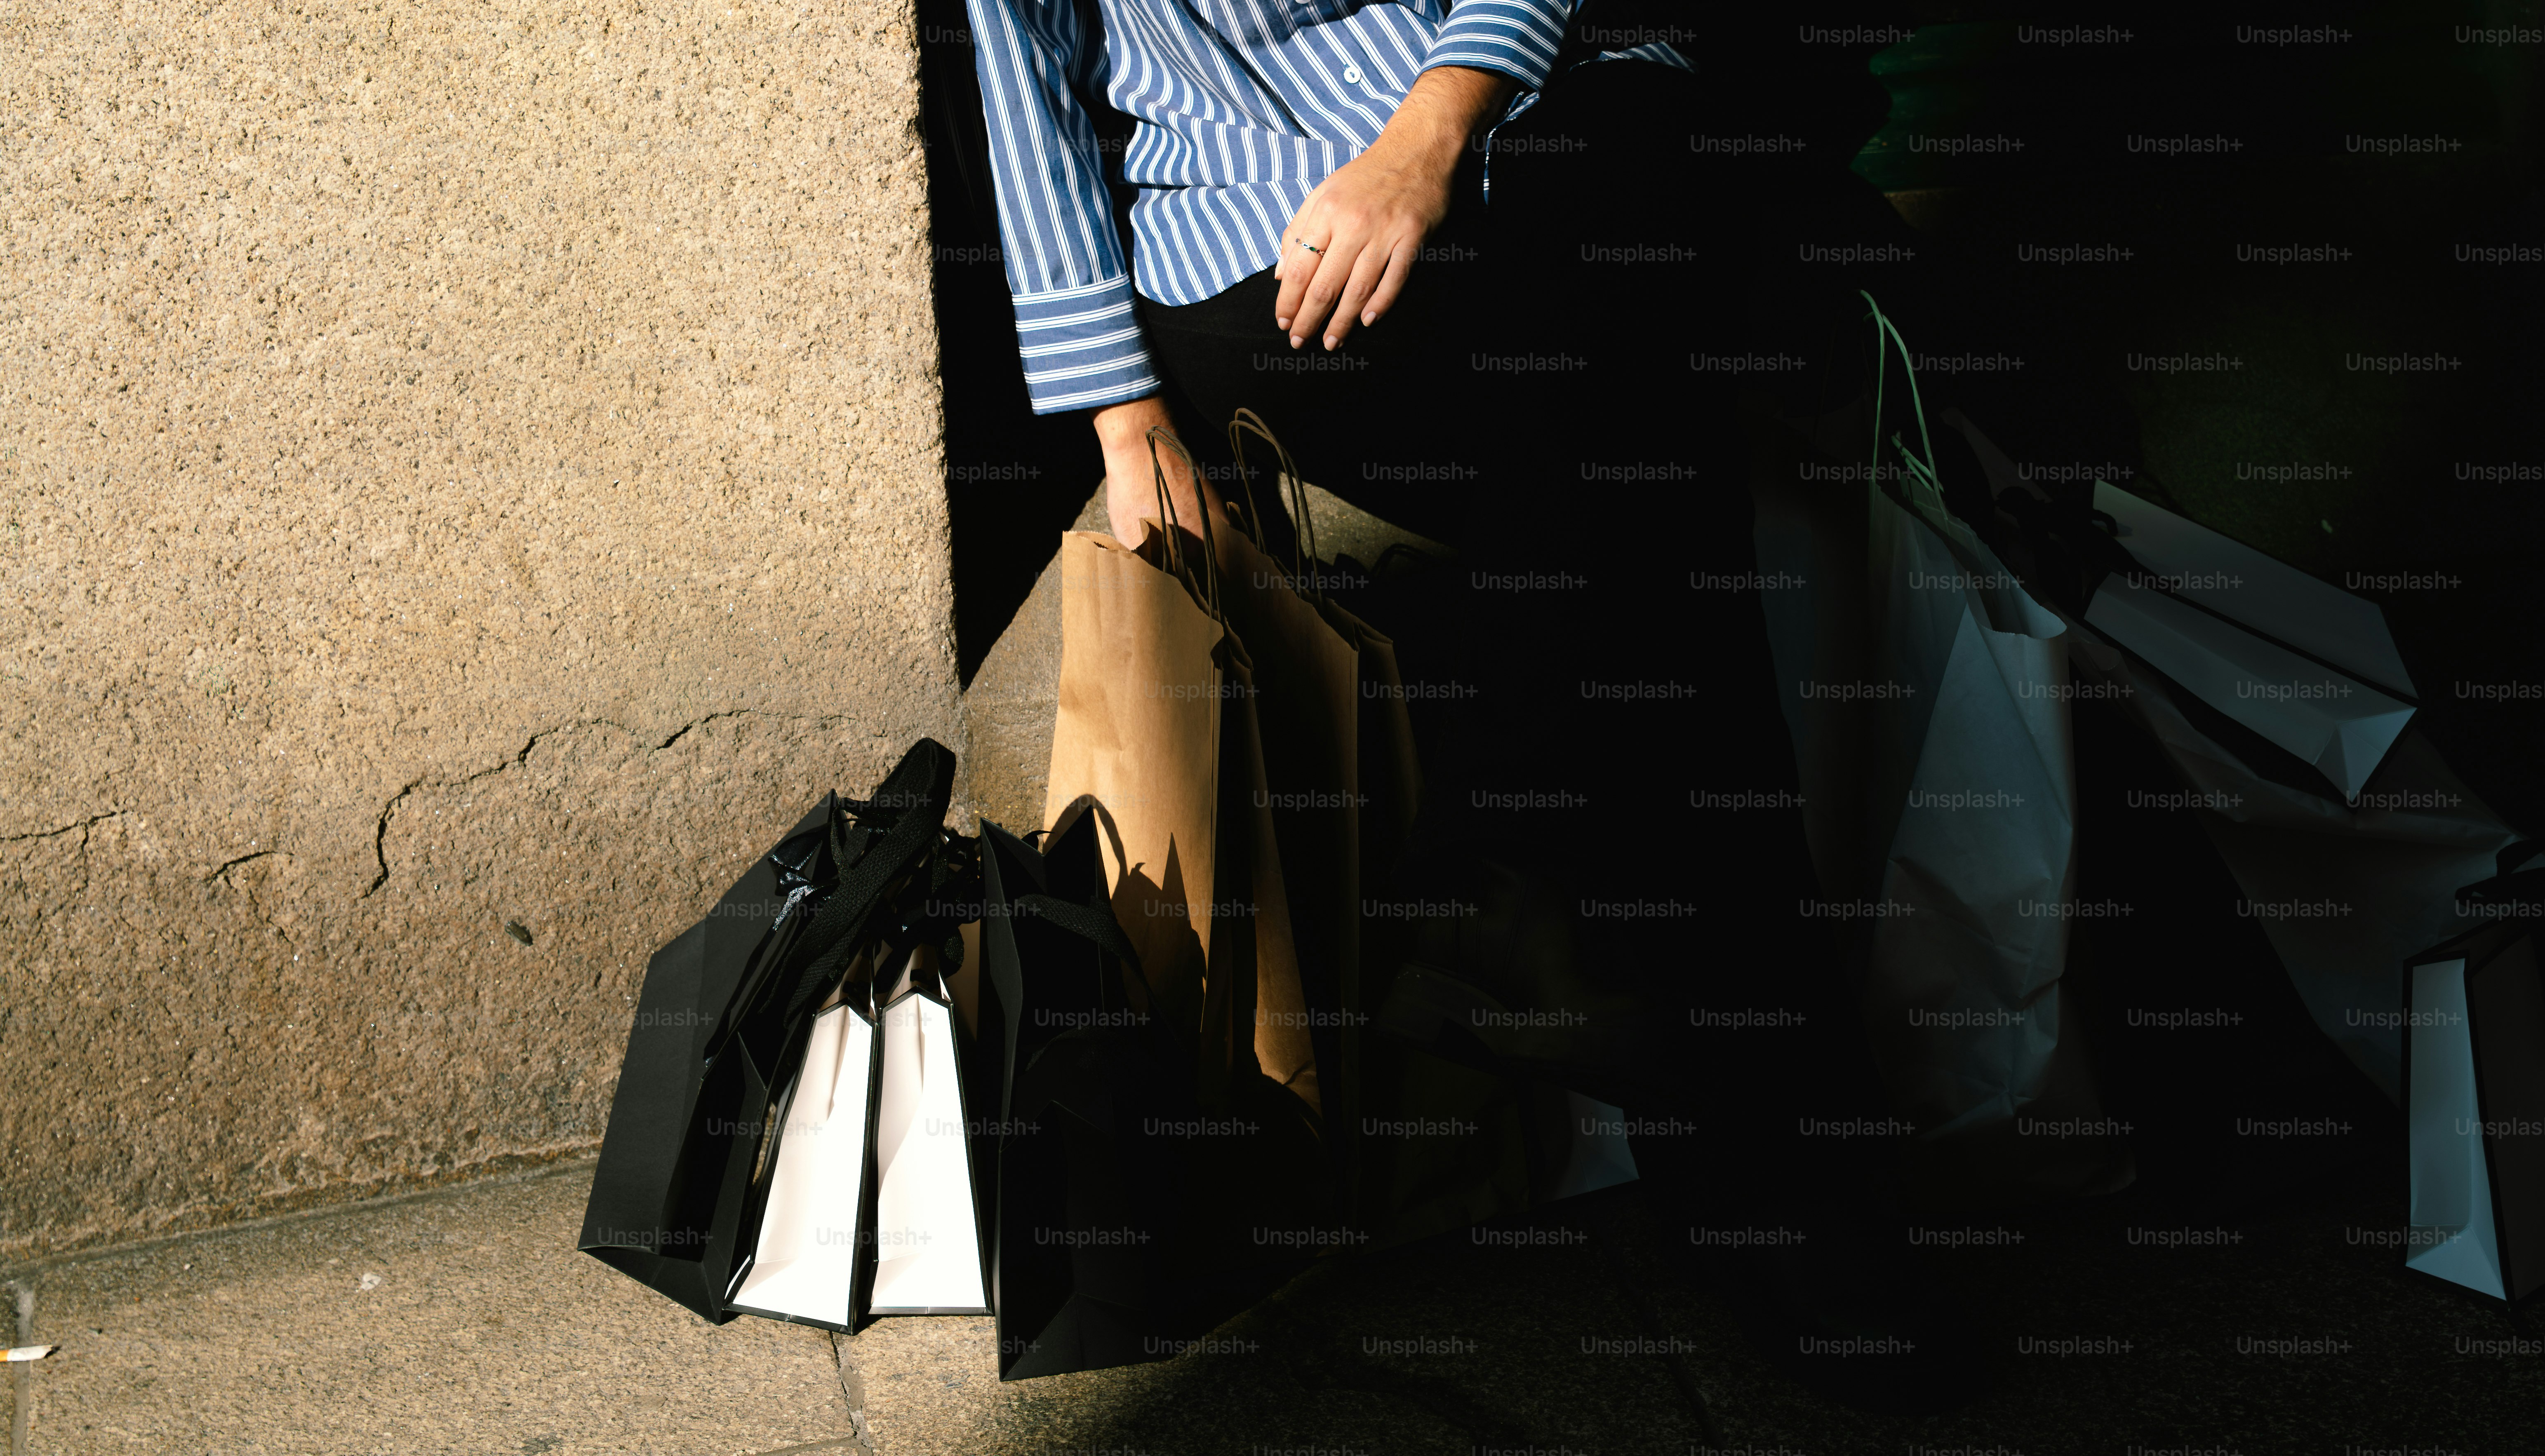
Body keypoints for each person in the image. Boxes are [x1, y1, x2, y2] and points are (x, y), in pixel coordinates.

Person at [962, 0, 1986, 1414]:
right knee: (1637, 540)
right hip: (1260, 236)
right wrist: (1121, 419)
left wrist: (1430, 135)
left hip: (1534, 121)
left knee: (1616, 427)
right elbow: (1027, 96)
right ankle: (1778, 1170)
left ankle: (1553, 926)